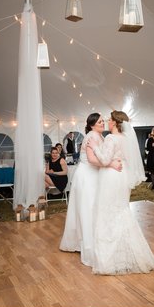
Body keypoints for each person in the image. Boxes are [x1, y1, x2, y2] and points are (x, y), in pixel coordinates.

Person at [90, 110, 154, 275]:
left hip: (111, 177)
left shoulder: (111, 138)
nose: (107, 121)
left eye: (110, 119)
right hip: (123, 177)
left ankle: (111, 258)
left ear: (115, 122)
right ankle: (127, 255)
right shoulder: (127, 139)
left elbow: (105, 160)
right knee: (121, 210)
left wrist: (95, 148)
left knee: (108, 213)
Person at [59, 113, 122, 264]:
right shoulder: (92, 136)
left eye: (103, 121)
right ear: (92, 125)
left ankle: (93, 240)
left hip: (94, 175)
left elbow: (101, 156)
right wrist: (111, 164)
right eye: (100, 121)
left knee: (93, 208)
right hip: (87, 176)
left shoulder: (100, 136)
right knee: (88, 209)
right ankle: (87, 245)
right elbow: (93, 160)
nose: (103, 123)